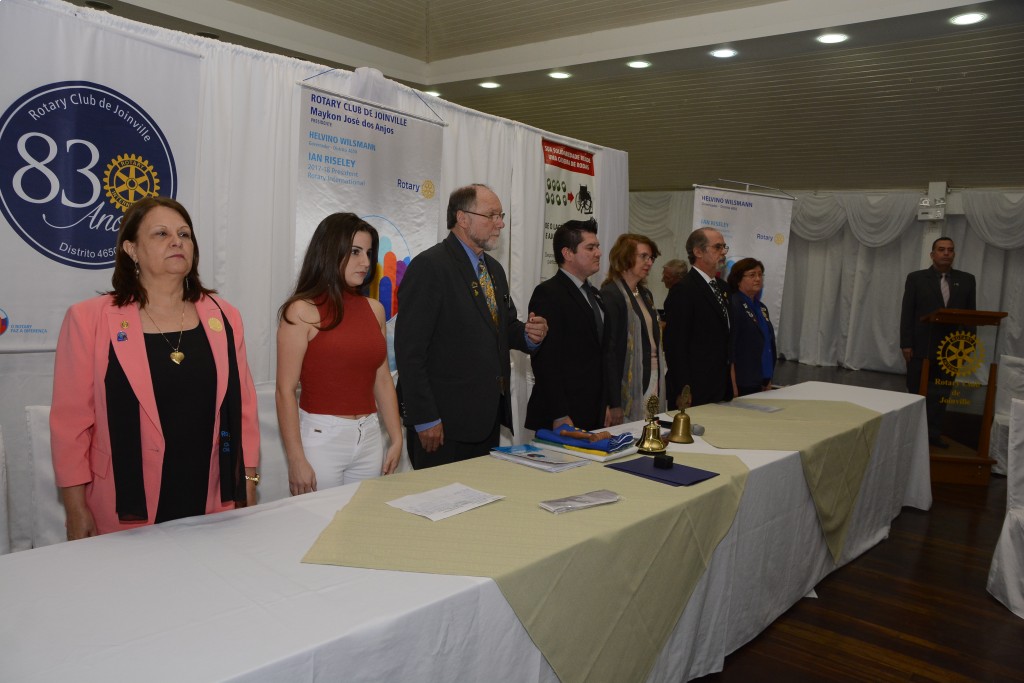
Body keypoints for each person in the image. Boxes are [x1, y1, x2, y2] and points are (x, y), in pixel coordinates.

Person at [50, 196, 260, 540]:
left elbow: (244, 411)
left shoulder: (224, 316)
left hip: (210, 497)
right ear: (131, 249)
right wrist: (75, 509)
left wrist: (248, 480)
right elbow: (70, 425)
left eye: (184, 234)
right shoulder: (88, 319)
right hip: (125, 503)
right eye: (161, 234)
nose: (177, 241)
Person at [395, 184, 548, 468]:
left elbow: (503, 327)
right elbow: (409, 351)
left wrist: (530, 336)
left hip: (485, 420)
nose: (500, 224)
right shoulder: (430, 266)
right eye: (492, 215)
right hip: (441, 425)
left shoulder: (494, 270)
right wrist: (425, 417)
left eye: (501, 216)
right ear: (462, 218)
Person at [276, 213, 402, 495]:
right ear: (330, 251)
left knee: (360, 520)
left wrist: (396, 437)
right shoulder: (301, 311)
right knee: (319, 521)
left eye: (369, 252)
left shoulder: (374, 310)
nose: (366, 262)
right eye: (355, 252)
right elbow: (285, 390)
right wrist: (296, 459)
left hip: (370, 436)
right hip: (321, 439)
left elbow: (382, 378)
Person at [525, 218, 609, 432]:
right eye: (590, 247)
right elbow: (545, 360)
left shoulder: (595, 294)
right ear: (568, 253)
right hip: (564, 415)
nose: (599, 253)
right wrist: (560, 413)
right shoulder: (548, 293)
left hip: (594, 411)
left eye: (598, 246)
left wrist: (606, 404)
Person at [900, 236, 977, 448]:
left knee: (941, 394)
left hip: (951, 350)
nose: (946, 253)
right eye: (941, 249)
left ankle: (933, 435)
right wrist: (906, 343)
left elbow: (971, 315)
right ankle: (911, 435)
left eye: (950, 250)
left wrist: (968, 345)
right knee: (916, 392)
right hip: (920, 348)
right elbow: (907, 312)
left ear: (954, 254)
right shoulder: (916, 278)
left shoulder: (967, 280)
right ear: (932, 254)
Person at [663, 227, 733, 407]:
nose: (723, 252)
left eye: (724, 247)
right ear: (698, 252)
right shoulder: (684, 290)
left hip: (720, 386)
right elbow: (676, 346)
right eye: (717, 247)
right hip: (695, 389)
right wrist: (683, 389)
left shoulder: (723, 288)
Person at [601, 233, 664, 424]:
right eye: (643, 256)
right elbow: (609, 353)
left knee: (651, 429)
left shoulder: (645, 294)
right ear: (625, 257)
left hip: (653, 376)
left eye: (651, 257)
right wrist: (614, 402)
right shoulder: (611, 294)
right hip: (628, 383)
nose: (649, 262)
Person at [726, 257, 777, 397]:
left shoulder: (762, 307)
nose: (758, 279)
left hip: (762, 379)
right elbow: (731, 347)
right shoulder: (734, 304)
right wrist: (732, 384)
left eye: (760, 274)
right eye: (752, 275)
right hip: (743, 381)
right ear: (738, 279)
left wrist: (768, 378)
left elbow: (767, 342)